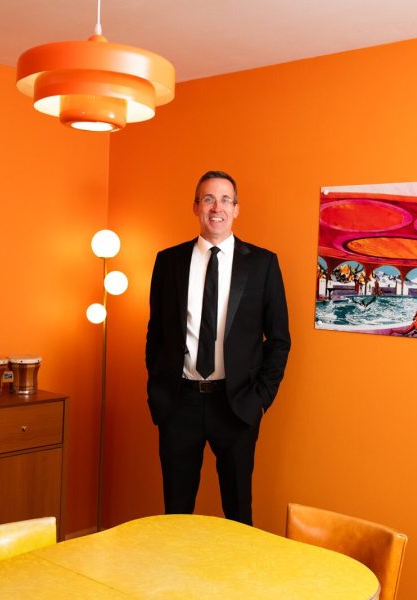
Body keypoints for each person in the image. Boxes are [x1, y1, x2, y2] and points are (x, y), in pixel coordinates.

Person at [145, 170, 291, 525]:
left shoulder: (262, 264)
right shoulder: (169, 262)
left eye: (225, 199)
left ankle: (238, 582)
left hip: (237, 404)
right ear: (195, 206)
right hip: (180, 404)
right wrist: (159, 391)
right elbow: (156, 334)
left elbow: (280, 340)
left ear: (237, 209)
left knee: (239, 513)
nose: (217, 207)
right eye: (208, 198)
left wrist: (259, 399)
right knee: (175, 515)